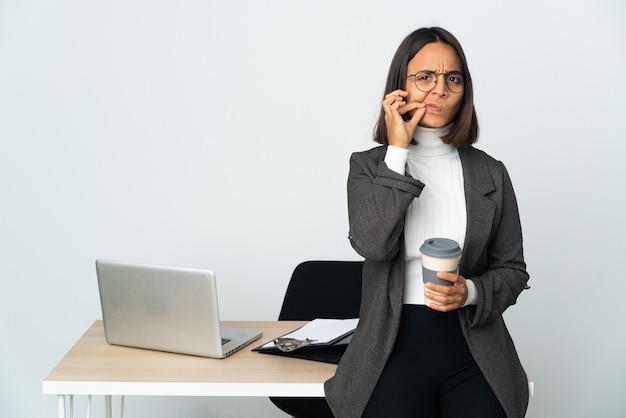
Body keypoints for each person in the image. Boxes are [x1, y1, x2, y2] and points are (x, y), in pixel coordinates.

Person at [324, 27, 530, 418]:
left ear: (464, 91)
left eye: (453, 79)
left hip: (472, 343)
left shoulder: (491, 173)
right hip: (391, 344)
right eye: (425, 78)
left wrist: (469, 292)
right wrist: (398, 149)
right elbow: (372, 243)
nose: (439, 90)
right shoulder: (369, 167)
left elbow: (512, 270)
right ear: (399, 86)